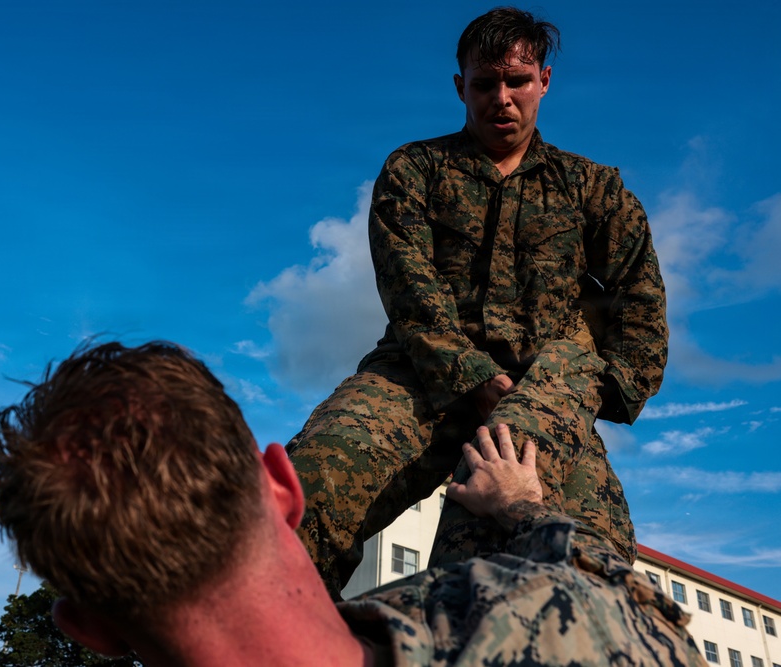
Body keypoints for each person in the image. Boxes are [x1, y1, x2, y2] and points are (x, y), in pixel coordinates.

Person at [0, 340, 702, 667]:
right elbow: (639, 609)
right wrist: (522, 511)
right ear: (283, 486)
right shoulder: (556, 630)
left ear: (87, 628)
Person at [286, 6, 668, 596]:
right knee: (306, 492)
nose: (502, 98)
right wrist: (472, 375)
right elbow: (409, 289)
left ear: (543, 81)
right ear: (461, 86)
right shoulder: (416, 170)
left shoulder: (593, 188)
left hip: (546, 388)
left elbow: (640, 297)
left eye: (517, 81)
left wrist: (601, 388)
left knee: (580, 556)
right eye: (486, 83)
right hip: (420, 375)